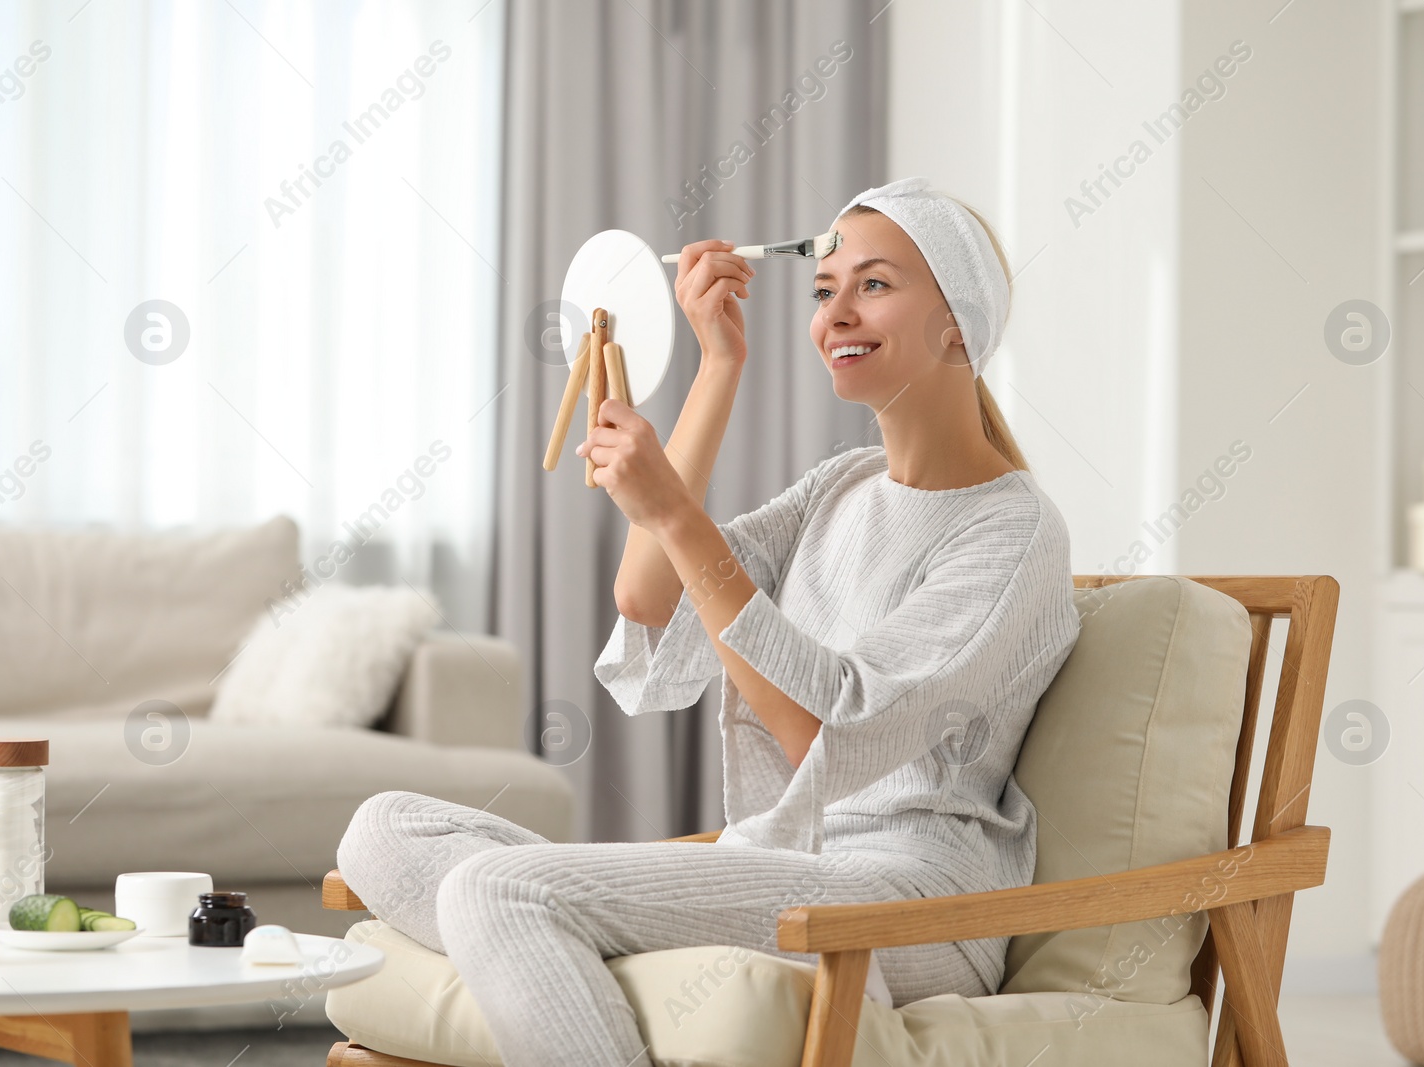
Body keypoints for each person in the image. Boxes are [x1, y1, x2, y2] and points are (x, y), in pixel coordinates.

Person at [337, 176, 1082, 1067]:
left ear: (959, 319)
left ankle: (555, 948)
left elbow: (825, 732)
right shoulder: (840, 487)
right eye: (822, 289)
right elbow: (646, 593)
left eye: (874, 285)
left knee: (500, 891)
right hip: (776, 861)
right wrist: (716, 367)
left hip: (910, 898)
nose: (836, 312)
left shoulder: (1013, 528)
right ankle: (567, 960)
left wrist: (677, 516)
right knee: (381, 827)